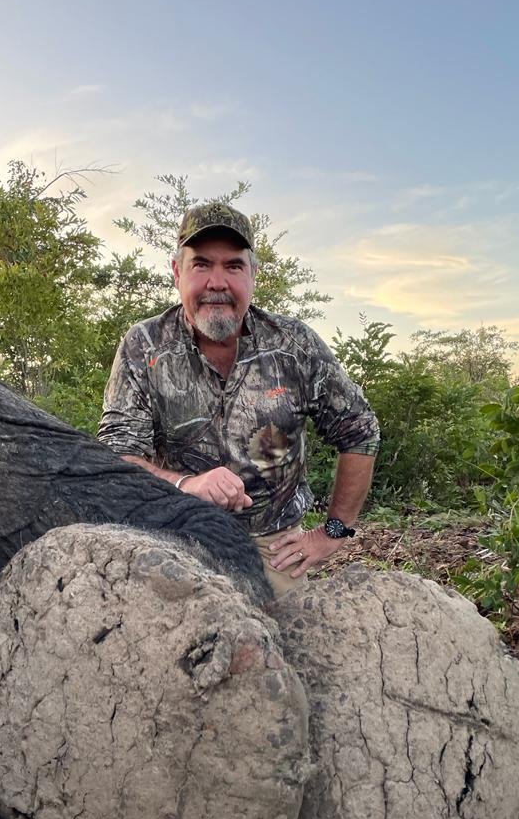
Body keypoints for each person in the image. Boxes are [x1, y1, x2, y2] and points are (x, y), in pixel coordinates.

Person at [97, 201, 380, 598]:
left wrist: (333, 532)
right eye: (201, 265)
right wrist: (185, 483)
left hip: (274, 549)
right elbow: (117, 456)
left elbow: (360, 431)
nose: (217, 282)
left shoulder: (294, 345)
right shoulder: (144, 346)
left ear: (253, 275)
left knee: (280, 652)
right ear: (177, 272)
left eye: (233, 266)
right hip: (174, 539)